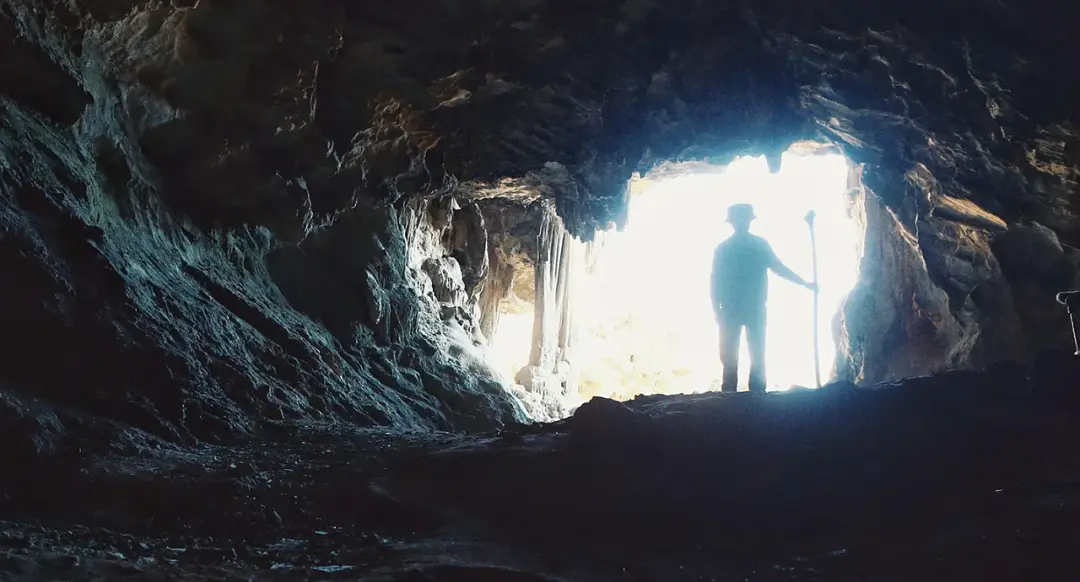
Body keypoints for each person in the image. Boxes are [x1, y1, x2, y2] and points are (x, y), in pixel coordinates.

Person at [710, 203, 816, 393]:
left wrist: (804, 283)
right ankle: (754, 396)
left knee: (735, 356)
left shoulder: (725, 248)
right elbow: (778, 268)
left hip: (735, 309)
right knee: (749, 354)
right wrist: (804, 283)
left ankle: (731, 397)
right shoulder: (756, 245)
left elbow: (715, 282)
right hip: (750, 308)